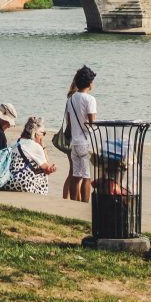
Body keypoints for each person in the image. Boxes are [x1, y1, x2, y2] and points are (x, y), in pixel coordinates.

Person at [62, 66, 98, 203]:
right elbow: (91, 123)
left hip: (74, 142)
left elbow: (70, 123)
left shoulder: (70, 99)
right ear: (89, 83)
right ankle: (83, 205)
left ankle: (73, 204)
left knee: (76, 176)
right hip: (86, 142)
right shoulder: (90, 100)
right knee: (87, 176)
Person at [2, 116, 61, 194]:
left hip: (8, 182)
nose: (43, 136)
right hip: (23, 184)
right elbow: (47, 169)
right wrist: (43, 147)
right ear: (36, 134)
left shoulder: (15, 143)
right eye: (43, 133)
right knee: (42, 171)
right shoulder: (36, 147)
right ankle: (40, 194)